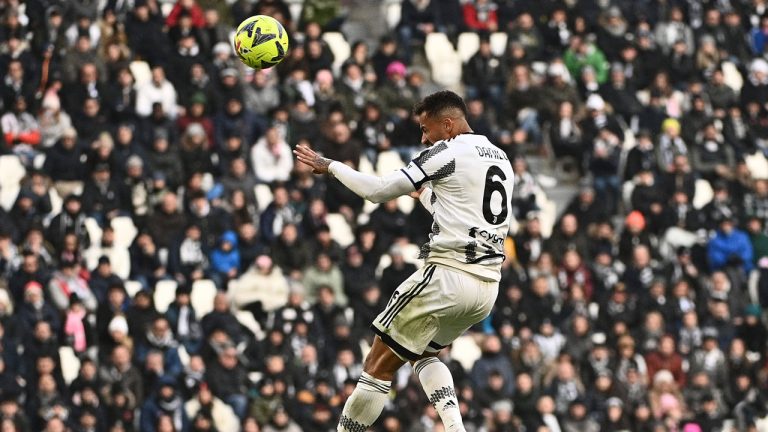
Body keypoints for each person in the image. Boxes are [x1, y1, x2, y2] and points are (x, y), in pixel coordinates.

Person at [294, 90, 514, 432]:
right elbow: (459, 212)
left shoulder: (447, 151)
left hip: (448, 276)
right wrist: (425, 195)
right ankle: (455, 428)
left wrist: (331, 166)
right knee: (424, 353)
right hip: (486, 289)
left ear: (448, 124)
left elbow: (377, 191)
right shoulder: (501, 158)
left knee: (376, 365)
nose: (423, 138)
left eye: (426, 129)